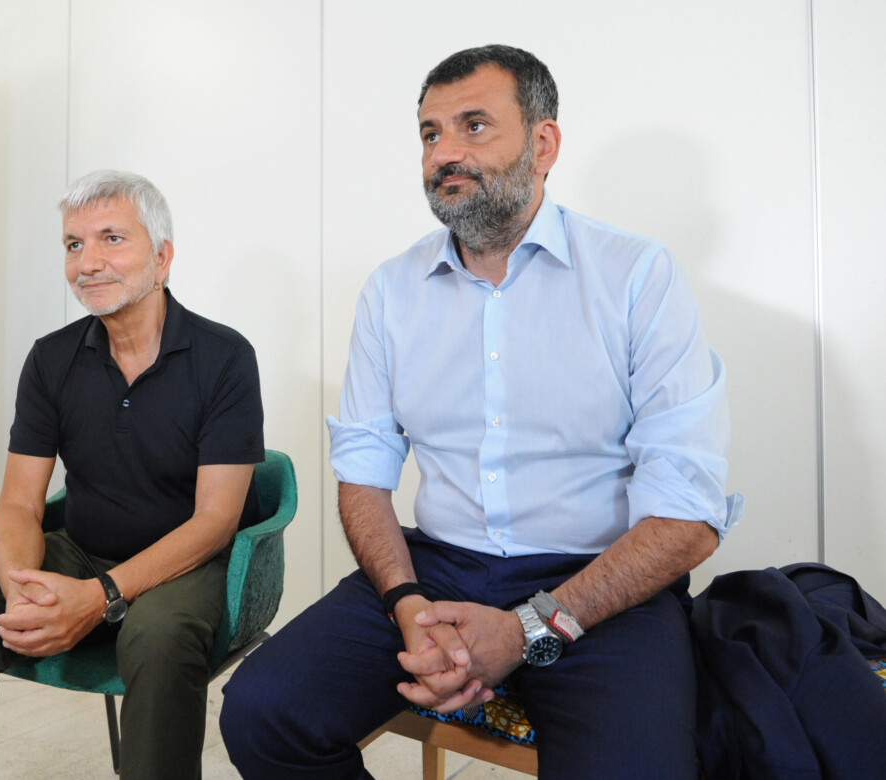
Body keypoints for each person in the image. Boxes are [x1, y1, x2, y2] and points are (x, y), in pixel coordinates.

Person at [220, 44, 741, 779]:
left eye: (473, 126)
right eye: (430, 134)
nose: (444, 154)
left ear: (543, 143)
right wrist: (407, 604)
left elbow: (687, 517)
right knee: (263, 711)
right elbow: (363, 476)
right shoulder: (392, 291)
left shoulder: (636, 277)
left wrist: (526, 629)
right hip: (437, 569)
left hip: (600, 581)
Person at [0, 170, 264, 780]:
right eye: (74, 244)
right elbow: (19, 504)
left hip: (186, 563)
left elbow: (215, 520)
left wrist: (100, 598)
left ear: (162, 256)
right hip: (82, 550)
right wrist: (21, 588)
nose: (88, 263)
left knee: (157, 636)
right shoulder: (51, 359)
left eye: (111, 239)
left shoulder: (225, 357)